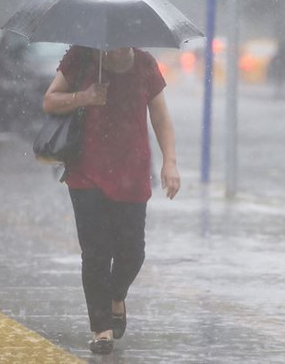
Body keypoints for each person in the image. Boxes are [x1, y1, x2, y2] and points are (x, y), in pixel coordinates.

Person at [43, 45, 180, 354]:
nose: (119, 46)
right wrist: (86, 97)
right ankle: (100, 328)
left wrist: (169, 161)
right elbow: (50, 101)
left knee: (133, 252)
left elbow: (159, 116)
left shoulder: (144, 64)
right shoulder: (81, 57)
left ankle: (116, 296)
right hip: (86, 171)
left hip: (132, 172)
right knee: (96, 253)